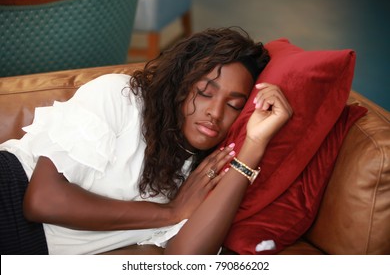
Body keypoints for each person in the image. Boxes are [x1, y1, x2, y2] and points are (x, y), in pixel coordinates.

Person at [0, 27, 292, 255]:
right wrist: (171, 212)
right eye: (205, 92)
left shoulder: (205, 174)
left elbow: (183, 261)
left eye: (234, 105)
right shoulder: (120, 96)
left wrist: (252, 147)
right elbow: (42, 201)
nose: (215, 113)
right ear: (181, 84)